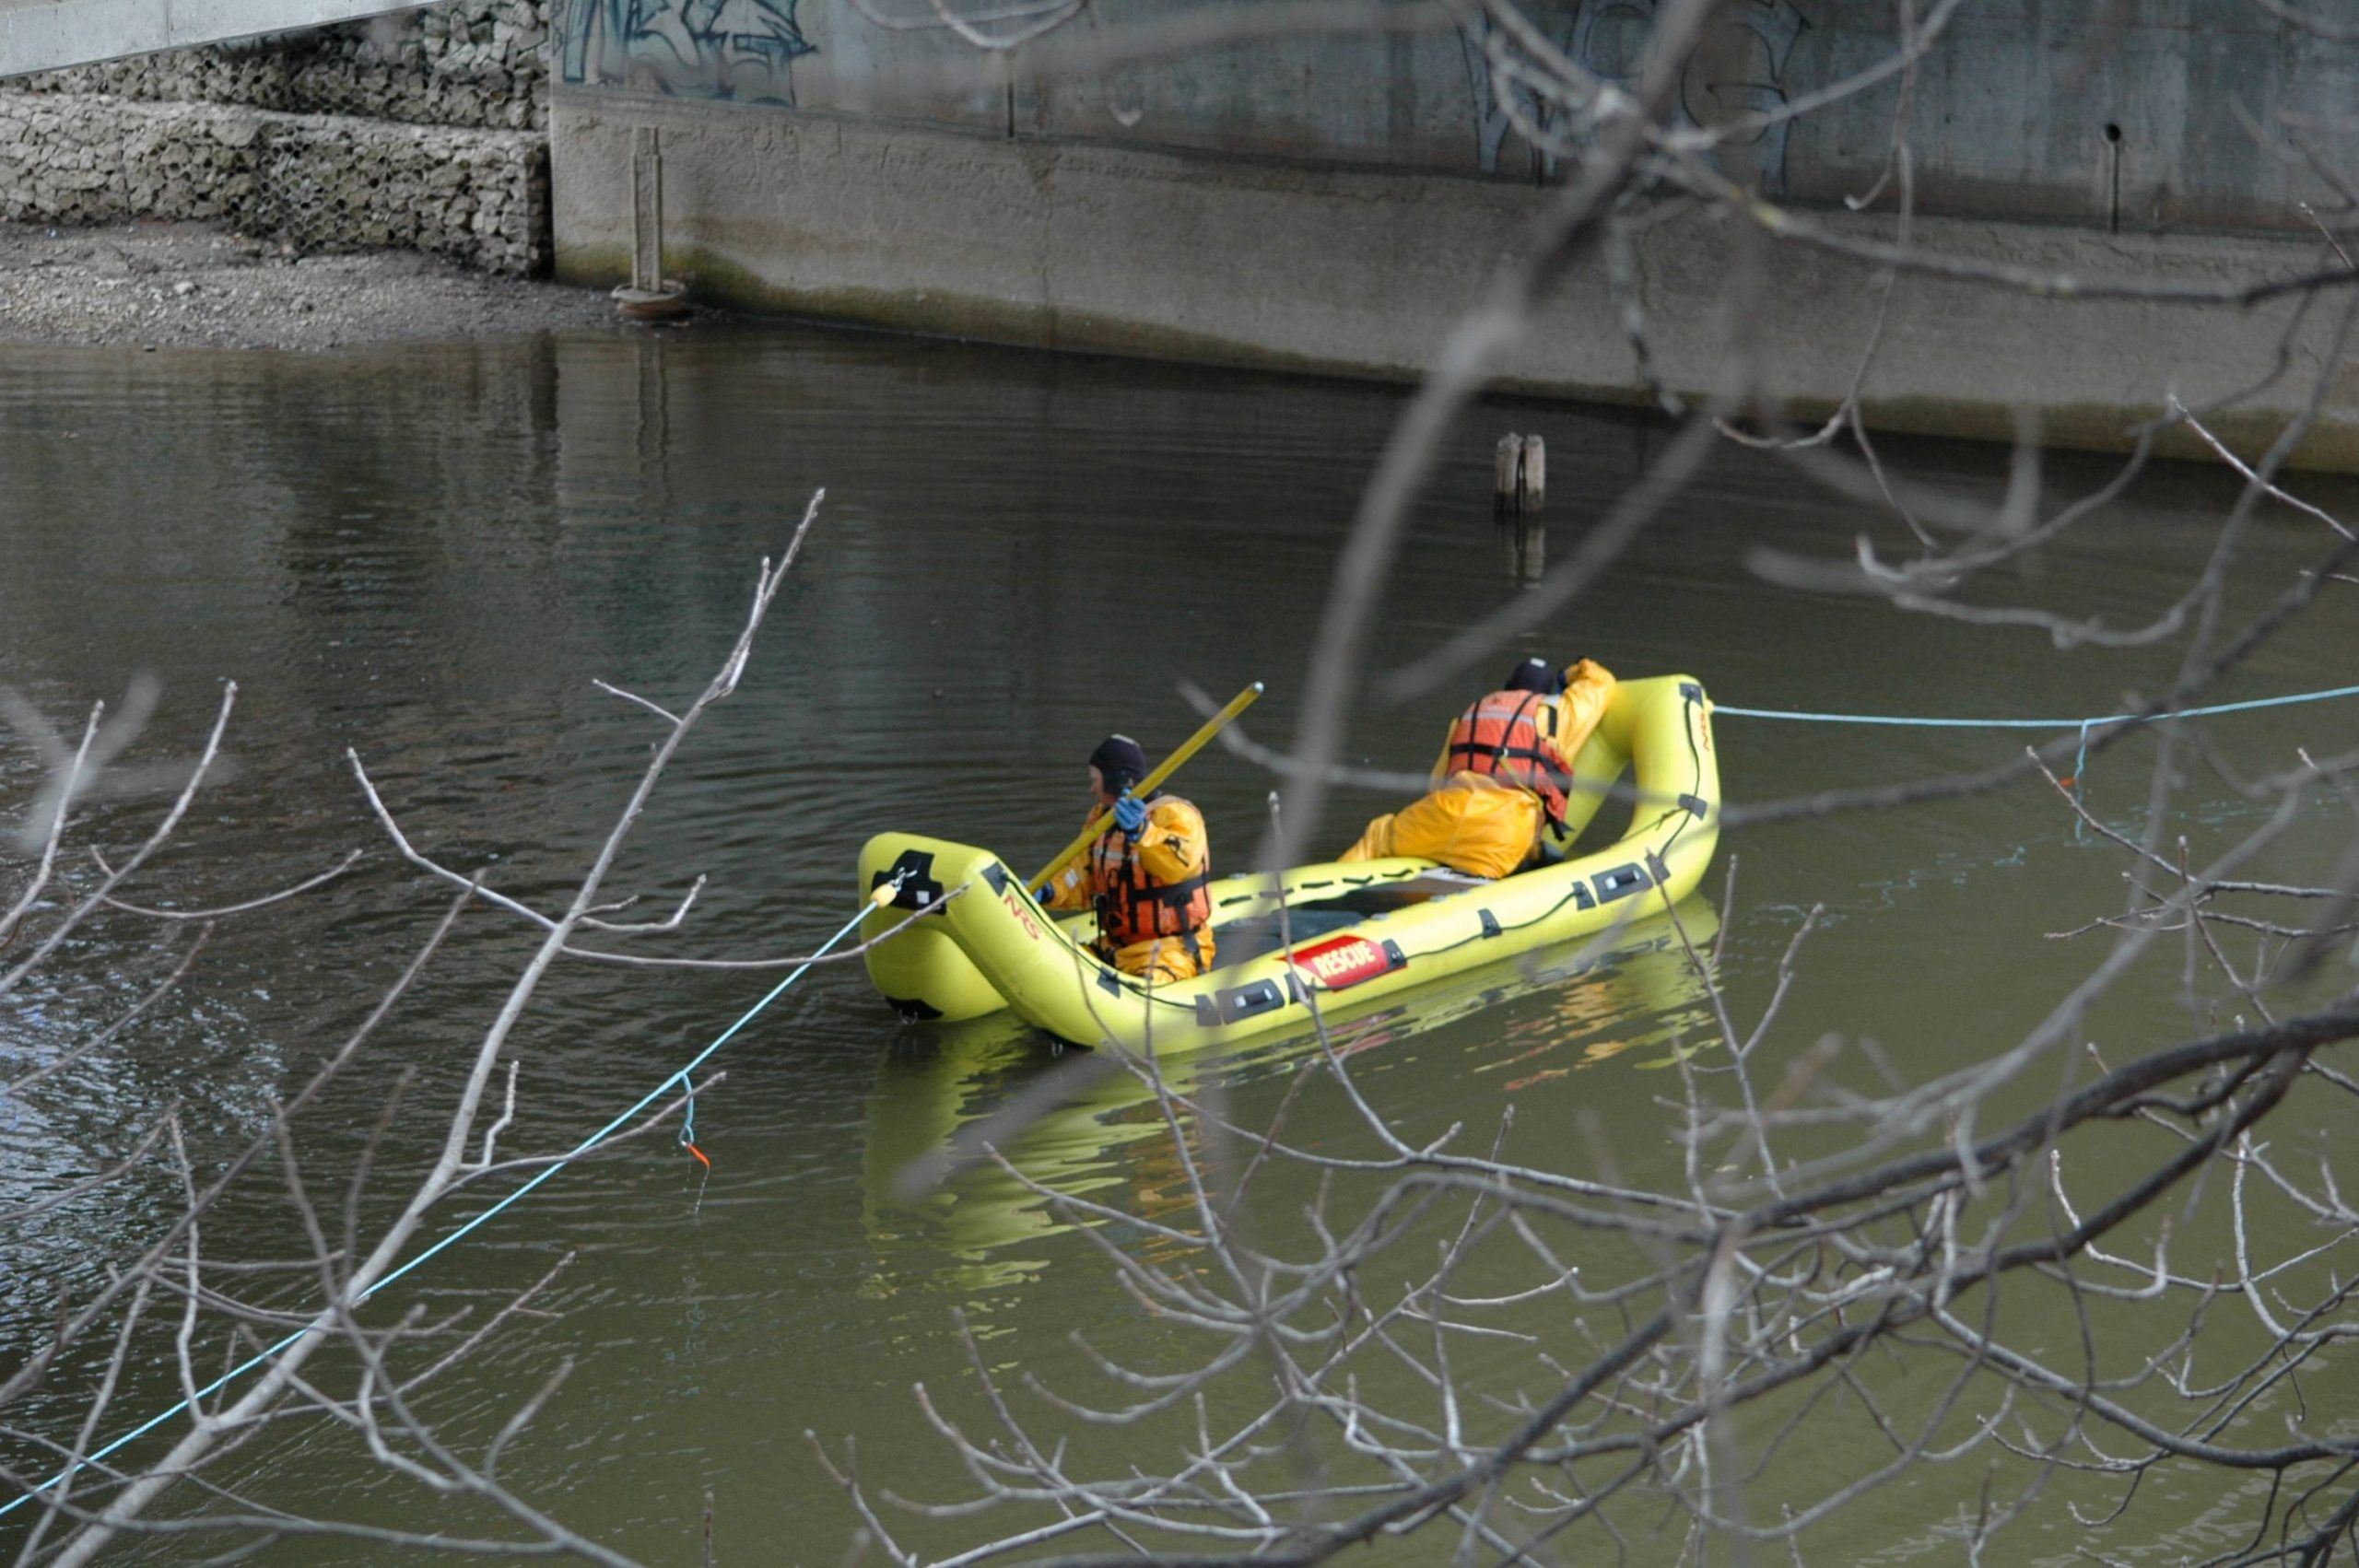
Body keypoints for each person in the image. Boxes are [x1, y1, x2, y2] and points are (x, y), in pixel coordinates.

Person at [1340, 656, 1617, 879]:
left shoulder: (1470, 715)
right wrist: (1570, 674)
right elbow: (1601, 682)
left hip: (1440, 820)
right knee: (1540, 856)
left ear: (1507, 688)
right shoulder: (1555, 715)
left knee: (1377, 836)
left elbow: (1436, 785)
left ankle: (1320, 890)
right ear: (1546, 695)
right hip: (1501, 838)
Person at [1038, 734, 1216, 982]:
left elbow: (1181, 866)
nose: (1092, 789)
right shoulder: (1101, 818)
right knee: (1052, 972)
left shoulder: (1177, 815)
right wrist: (1049, 891)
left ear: (1115, 782)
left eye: (1095, 781)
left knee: (1150, 986)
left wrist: (1143, 834)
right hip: (1115, 948)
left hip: (1170, 951)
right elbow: (1082, 877)